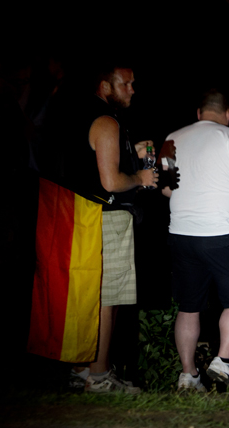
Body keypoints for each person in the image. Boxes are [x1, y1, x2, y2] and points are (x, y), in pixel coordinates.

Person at [28, 63, 157, 394]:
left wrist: (135, 152)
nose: (132, 89)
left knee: (90, 295)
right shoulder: (106, 121)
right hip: (106, 216)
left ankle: (83, 370)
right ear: (105, 86)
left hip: (81, 216)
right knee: (109, 297)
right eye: (125, 84)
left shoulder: (79, 115)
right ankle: (99, 376)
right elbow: (111, 181)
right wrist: (141, 177)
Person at [164, 89, 229, 393]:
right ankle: (225, 360)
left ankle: (189, 375)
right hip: (220, 233)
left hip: (181, 233)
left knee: (189, 306)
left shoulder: (171, 138)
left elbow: (165, 189)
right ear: (228, 113)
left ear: (198, 112)